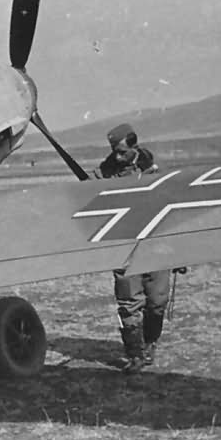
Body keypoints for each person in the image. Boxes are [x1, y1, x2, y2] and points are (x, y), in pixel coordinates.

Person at [94, 123, 170, 374]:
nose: (117, 157)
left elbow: (171, 207)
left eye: (122, 152)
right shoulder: (102, 174)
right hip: (123, 245)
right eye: (114, 152)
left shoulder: (155, 170)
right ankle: (135, 355)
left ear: (134, 147)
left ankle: (150, 344)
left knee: (157, 301)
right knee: (128, 303)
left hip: (155, 243)